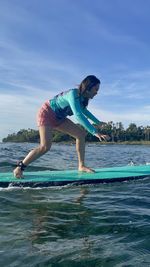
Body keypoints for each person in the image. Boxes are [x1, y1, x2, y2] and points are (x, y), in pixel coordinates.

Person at [13, 75, 109, 178]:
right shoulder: (73, 94)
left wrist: (97, 122)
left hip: (59, 118)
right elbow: (78, 115)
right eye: (95, 89)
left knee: (81, 134)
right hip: (46, 113)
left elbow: (84, 111)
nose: (96, 92)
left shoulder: (82, 99)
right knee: (45, 147)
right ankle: (20, 167)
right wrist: (95, 132)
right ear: (88, 87)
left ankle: (81, 166)